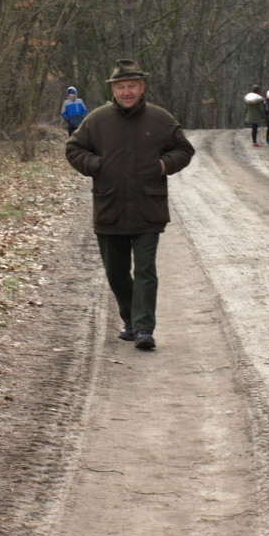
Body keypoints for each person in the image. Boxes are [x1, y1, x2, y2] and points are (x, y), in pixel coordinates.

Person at [66, 59, 195, 351]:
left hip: (149, 207)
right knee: (115, 271)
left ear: (142, 87)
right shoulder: (97, 120)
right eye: (121, 87)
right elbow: (73, 148)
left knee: (146, 270)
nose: (127, 92)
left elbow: (184, 149)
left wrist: (163, 165)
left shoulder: (160, 119)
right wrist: (96, 165)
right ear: (113, 90)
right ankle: (130, 319)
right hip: (109, 207)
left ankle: (143, 328)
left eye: (132, 86)